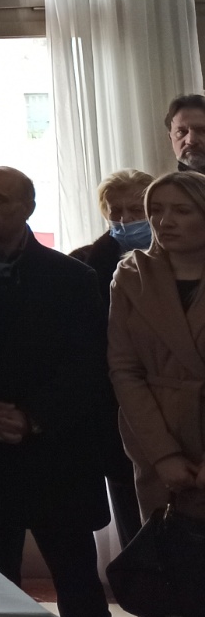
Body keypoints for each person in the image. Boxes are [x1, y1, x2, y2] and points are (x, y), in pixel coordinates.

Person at [0, 166, 116, 617]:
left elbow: (87, 365)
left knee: (80, 589)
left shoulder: (73, 277)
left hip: (56, 453)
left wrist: (33, 416)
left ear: (28, 208)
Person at [108, 171, 205, 528]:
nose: (165, 221)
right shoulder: (132, 275)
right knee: (170, 547)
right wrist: (163, 454)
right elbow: (125, 370)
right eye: (157, 210)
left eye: (182, 210)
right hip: (158, 431)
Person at [73, 169, 156, 548]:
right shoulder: (83, 265)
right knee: (134, 529)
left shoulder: (185, 260)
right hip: (113, 412)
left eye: (136, 210)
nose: (125, 220)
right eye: (115, 211)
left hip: (179, 405)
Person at [167, 95, 205, 174]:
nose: (190, 140)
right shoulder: (165, 182)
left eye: (202, 131)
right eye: (181, 132)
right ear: (170, 139)